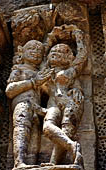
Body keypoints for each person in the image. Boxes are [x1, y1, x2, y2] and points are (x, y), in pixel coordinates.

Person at [41, 25, 87, 168]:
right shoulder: (45, 71)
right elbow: (42, 56)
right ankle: (73, 147)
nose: (56, 52)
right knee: (47, 127)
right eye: (53, 51)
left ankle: (54, 162)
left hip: (70, 101)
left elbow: (82, 56)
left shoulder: (70, 71)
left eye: (62, 51)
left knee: (66, 128)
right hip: (53, 103)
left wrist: (78, 35)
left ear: (69, 58)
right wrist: (49, 38)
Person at [6, 40, 53, 168]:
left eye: (39, 51)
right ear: (22, 52)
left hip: (36, 107)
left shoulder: (40, 73)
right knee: (22, 129)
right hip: (22, 104)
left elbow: (47, 92)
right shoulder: (18, 69)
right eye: (31, 48)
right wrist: (33, 82)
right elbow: (10, 91)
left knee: (35, 136)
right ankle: (18, 162)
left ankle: (31, 165)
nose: (35, 52)